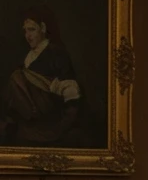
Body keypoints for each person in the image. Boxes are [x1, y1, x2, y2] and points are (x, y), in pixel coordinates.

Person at [1, 9, 88, 146]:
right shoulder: (27, 57)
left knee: (16, 77)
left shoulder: (56, 54)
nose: (28, 35)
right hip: (27, 122)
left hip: (51, 121)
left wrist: (64, 123)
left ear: (42, 28)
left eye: (32, 29)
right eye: (25, 31)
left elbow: (70, 93)